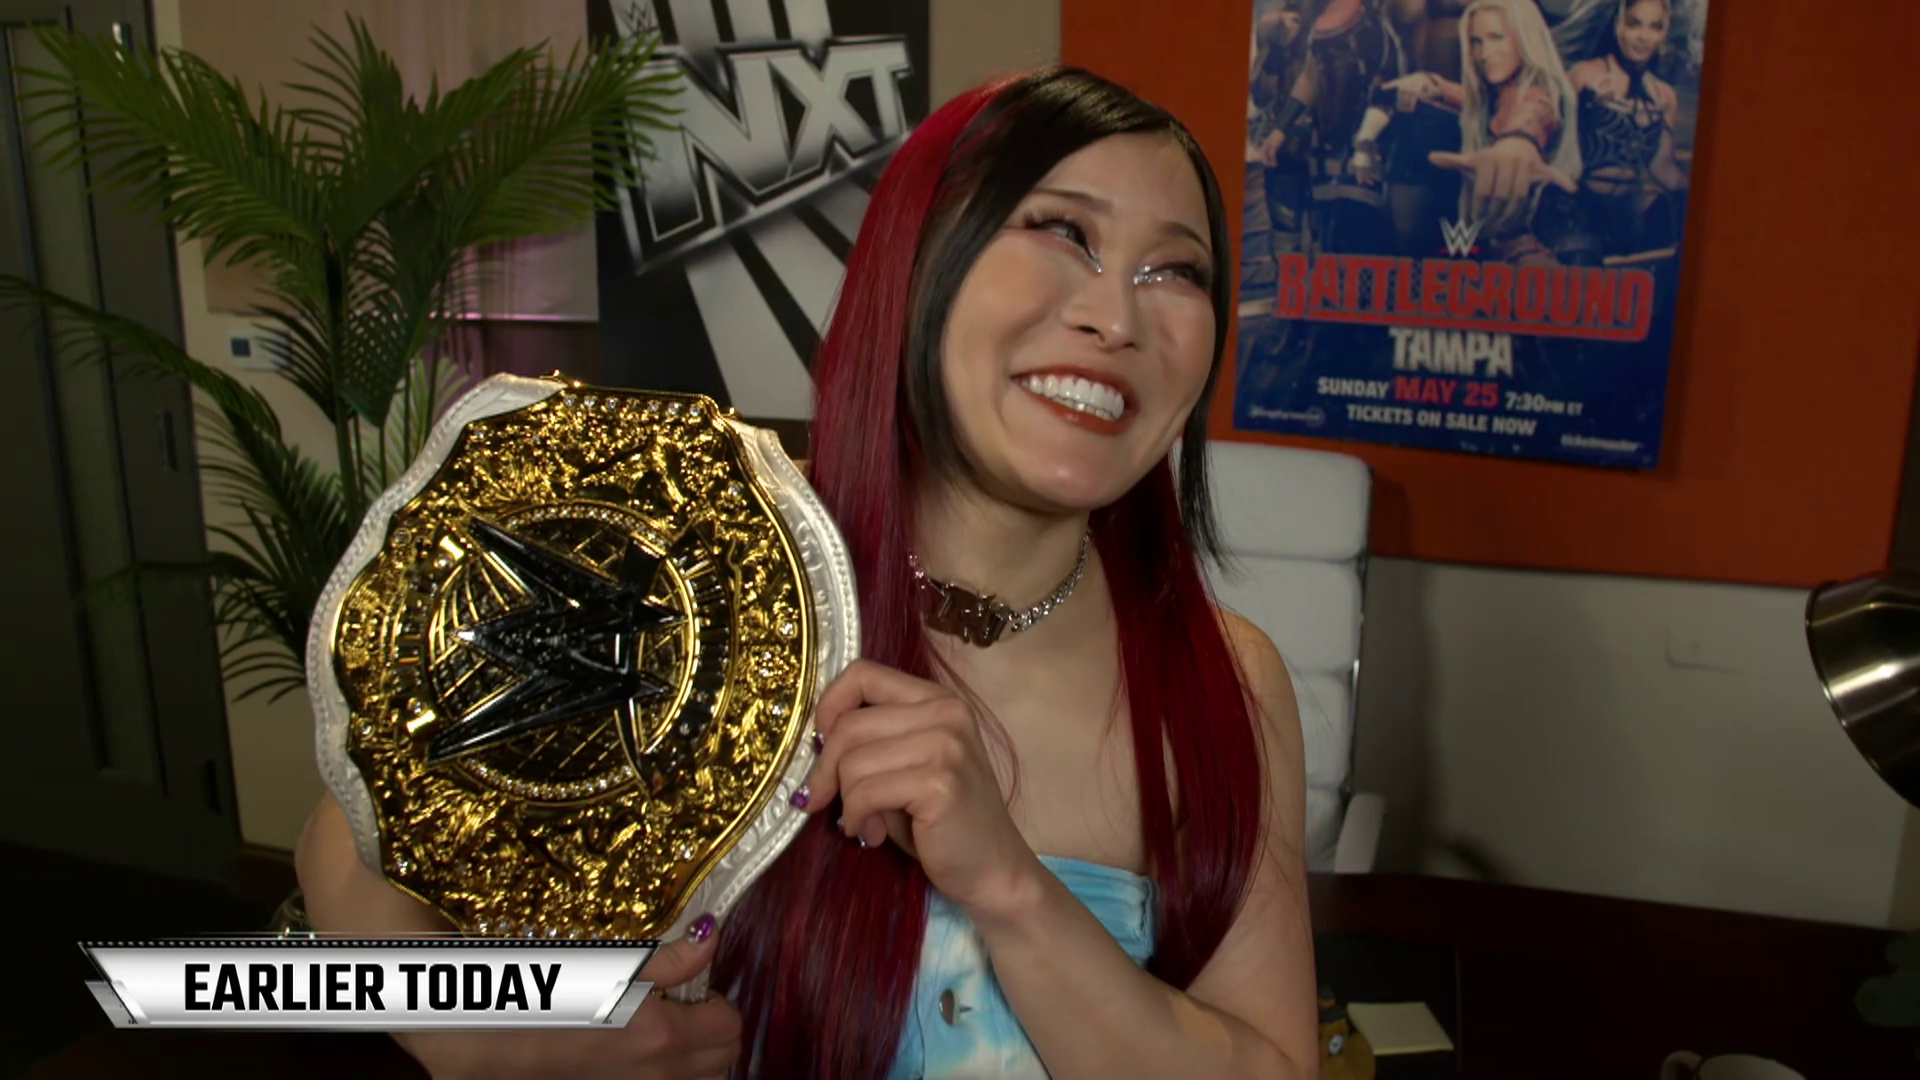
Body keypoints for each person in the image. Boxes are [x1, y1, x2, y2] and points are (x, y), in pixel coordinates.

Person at [295, 66, 1321, 1080]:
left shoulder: (1224, 683)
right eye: (1063, 231)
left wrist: (1012, 891)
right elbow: (349, 849)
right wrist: (482, 1022)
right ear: (916, 260)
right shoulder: (694, 567)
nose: (1118, 318)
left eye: (1176, 271)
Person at [1353, 0, 1582, 260]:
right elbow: (1474, 103)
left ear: (1524, 37)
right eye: (1476, 42)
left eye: (1496, 38)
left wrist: (1516, 145)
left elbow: (1533, 118)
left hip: (1531, 247)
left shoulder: (1542, 94)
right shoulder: (1497, 94)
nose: (1484, 53)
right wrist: (1432, 84)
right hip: (1485, 244)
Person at [1563, 0, 1690, 261]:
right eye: (1635, 24)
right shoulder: (1585, 75)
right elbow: (1553, 141)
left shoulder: (1664, 95)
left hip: (1628, 214)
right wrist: (1590, 105)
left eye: (1655, 27)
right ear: (1618, 25)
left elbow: (1662, 166)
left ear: (1665, 32)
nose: (1644, 37)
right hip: (1578, 209)